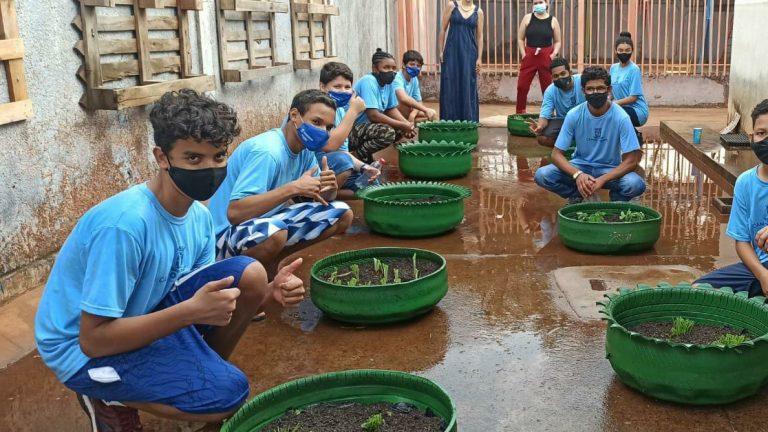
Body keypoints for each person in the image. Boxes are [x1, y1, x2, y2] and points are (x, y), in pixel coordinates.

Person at [34, 89, 306, 431]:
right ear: (162, 157)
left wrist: (269, 295)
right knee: (227, 394)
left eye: (218, 156)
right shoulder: (125, 227)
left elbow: (207, 302)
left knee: (251, 275)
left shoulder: (198, 217)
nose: (210, 169)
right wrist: (191, 311)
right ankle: (107, 395)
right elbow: (94, 339)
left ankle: (192, 379)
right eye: (193, 159)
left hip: (142, 316)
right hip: (82, 350)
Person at [208, 89, 353, 276]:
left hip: (266, 224)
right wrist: (292, 188)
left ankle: (274, 263)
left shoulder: (305, 149)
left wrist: (329, 188)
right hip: (222, 236)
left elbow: (322, 198)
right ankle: (247, 275)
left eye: (328, 127)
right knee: (275, 232)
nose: (323, 131)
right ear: (294, 115)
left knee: (342, 214)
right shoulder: (267, 151)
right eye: (316, 122)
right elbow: (235, 213)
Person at [534, 66, 645, 203]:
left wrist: (602, 180)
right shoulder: (574, 115)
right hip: (580, 165)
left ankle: (616, 200)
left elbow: (631, 160)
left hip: (609, 169)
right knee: (542, 175)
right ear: (583, 91)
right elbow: (556, 154)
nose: (595, 92)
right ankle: (575, 193)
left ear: (609, 90)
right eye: (590, 89)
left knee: (635, 184)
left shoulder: (621, 117)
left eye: (600, 88)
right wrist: (578, 174)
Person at [694, 100, 768, 296]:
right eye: (761, 134)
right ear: (752, 137)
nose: (766, 140)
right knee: (698, 291)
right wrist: (762, 275)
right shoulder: (746, 183)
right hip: (760, 266)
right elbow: (742, 242)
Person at [317, 62, 381, 199]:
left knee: (371, 184)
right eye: (337, 87)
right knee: (343, 162)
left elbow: (342, 151)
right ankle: (318, 197)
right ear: (322, 87)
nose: (343, 91)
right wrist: (353, 110)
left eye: (347, 87)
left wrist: (365, 167)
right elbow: (330, 146)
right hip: (312, 165)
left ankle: (326, 194)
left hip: (334, 163)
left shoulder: (340, 110)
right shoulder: (317, 107)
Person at [350, 49, 416, 163]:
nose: (391, 71)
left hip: (365, 128)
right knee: (387, 133)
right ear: (375, 69)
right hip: (350, 131)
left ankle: (366, 154)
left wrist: (406, 124)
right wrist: (402, 124)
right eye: (386, 67)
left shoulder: (388, 83)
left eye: (393, 68)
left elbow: (390, 109)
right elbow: (373, 115)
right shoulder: (369, 81)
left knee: (399, 129)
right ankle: (356, 156)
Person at [439, 0, 484, 122]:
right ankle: (448, 121)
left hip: (470, 54)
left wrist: (479, 58)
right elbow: (443, 29)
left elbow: (480, 36)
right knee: (449, 83)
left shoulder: (478, 12)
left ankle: (468, 121)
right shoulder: (451, 6)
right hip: (451, 51)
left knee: (468, 84)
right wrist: (441, 51)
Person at [516, 0, 562, 114]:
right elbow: (520, 38)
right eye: (535, 3)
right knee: (522, 86)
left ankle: (548, 112)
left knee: (547, 87)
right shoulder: (527, 18)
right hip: (530, 55)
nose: (537, 5)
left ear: (546, 3)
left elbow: (558, 41)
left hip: (546, 55)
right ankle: (520, 112)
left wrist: (553, 54)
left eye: (540, 2)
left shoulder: (553, 20)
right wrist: (523, 53)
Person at [530, 57, 584, 148]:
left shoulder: (582, 81)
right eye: (556, 76)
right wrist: (540, 126)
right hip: (564, 122)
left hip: (585, 120)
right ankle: (565, 149)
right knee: (542, 137)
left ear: (570, 73)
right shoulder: (550, 91)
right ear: (552, 78)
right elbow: (544, 115)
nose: (560, 78)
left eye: (563, 74)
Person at [609, 32, 648, 129]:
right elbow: (612, 92)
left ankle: (633, 138)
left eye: (627, 50)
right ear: (615, 51)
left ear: (632, 51)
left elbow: (633, 97)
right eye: (620, 50)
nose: (624, 53)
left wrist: (613, 104)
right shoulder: (613, 68)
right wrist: (606, 100)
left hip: (636, 110)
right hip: (620, 108)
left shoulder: (634, 69)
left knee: (609, 114)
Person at [394, 50, 437, 123]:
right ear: (404, 65)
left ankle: (408, 124)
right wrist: (425, 110)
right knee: (405, 105)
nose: (415, 67)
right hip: (396, 110)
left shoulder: (414, 79)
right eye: (412, 64)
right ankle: (405, 125)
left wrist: (413, 115)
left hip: (408, 111)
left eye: (418, 66)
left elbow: (419, 101)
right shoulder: (397, 77)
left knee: (432, 114)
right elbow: (403, 98)